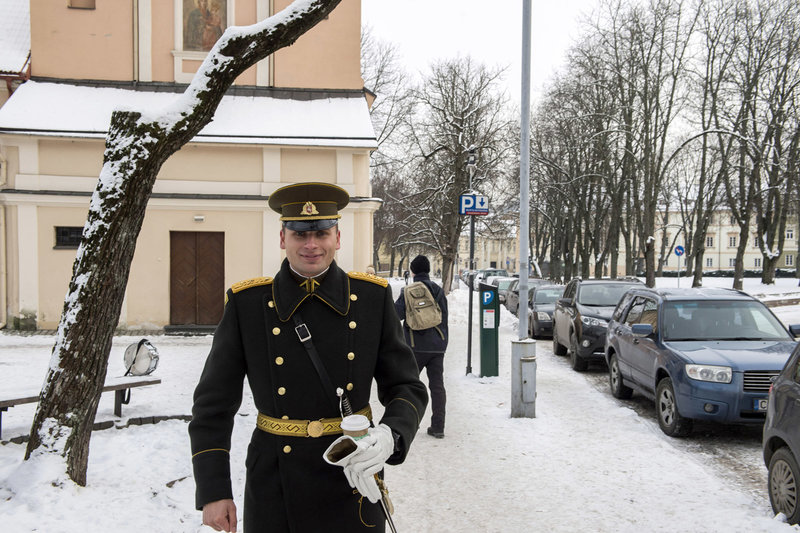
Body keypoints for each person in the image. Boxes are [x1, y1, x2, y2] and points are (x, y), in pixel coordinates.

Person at [189, 182, 428, 533]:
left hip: (354, 473)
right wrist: (213, 491)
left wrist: (392, 434)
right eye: (300, 234)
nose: (312, 245)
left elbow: (407, 385)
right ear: (283, 238)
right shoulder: (248, 305)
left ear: (338, 237)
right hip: (275, 483)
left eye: (321, 233)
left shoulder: (372, 299)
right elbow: (213, 405)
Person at [394, 255, 449, 439]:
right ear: (429, 270)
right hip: (436, 348)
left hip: (414, 347)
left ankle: (406, 426)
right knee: (437, 387)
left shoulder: (408, 291)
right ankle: (438, 426)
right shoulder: (438, 291)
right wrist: (442, 344)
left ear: (413, 271)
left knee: (409, 387)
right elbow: (444, 319)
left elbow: (396, 315)